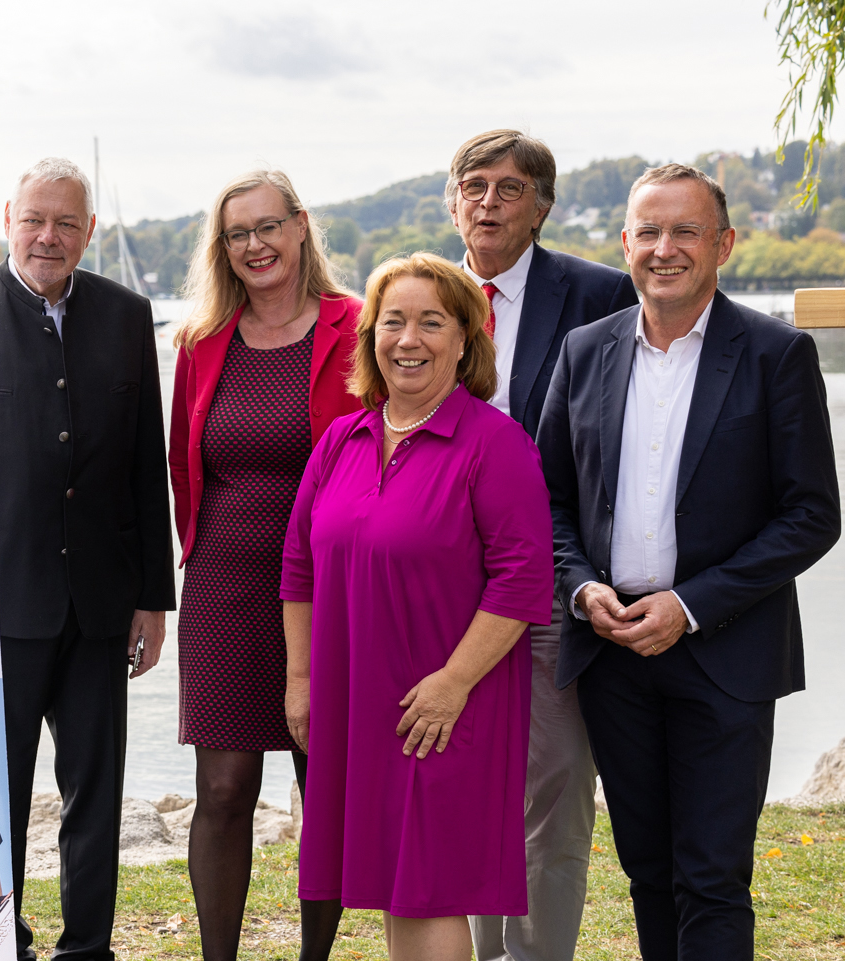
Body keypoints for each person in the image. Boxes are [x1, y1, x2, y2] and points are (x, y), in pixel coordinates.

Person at [538, 164, 841, 961]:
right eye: (649, 231)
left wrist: (693, 603)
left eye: (686, 231)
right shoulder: (583, 351)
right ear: (626, 241)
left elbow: (813, 514)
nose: (664, 248)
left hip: (725, 654)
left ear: (724, 245)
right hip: (611, 651)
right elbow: (547, 501)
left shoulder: (777, 353)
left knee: (711, 879)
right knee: (647, 873)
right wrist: (580, 588)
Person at [281, 252, 552, 961]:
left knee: (430, 883)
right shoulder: (342, 440)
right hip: (357, 700)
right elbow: (299, 567)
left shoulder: (495, 444)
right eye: (393, 321)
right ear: (370, 335)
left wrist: (453, 683)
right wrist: (301, 680)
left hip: (446, 705)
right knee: (393, 884)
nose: (409, 339)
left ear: (466, 338)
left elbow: (523, 580)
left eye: (432, 322)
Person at [438, 130, 639, 961]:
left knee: (554, 792)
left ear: (542, 207)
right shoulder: (423, 293)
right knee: (460, 791)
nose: (488, 202)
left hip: (554, 580)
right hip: (442, 586)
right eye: (473, 185)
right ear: (452, 200)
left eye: (509, 189)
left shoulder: (601, 295)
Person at [165, 170, 360, 961]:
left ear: (301, 226)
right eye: (238, 234)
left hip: (332, 591)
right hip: (225, 585)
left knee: (327, 794)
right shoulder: (200, 342)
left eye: (268, 227)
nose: (255, 245)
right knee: (222, 789)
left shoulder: (359, 325)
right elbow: (184, 464)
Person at [0, 158, 174, 961]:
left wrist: (155, 598)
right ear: (8, 220)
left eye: (66, 223)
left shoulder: (128, 316)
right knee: (4, 789)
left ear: (89, 231)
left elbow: (144, 461)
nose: (48, 236)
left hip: (102, 600)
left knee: (94, 790)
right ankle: (5, 939)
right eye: (35, 219)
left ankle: (87, 946)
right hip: (3, 599)